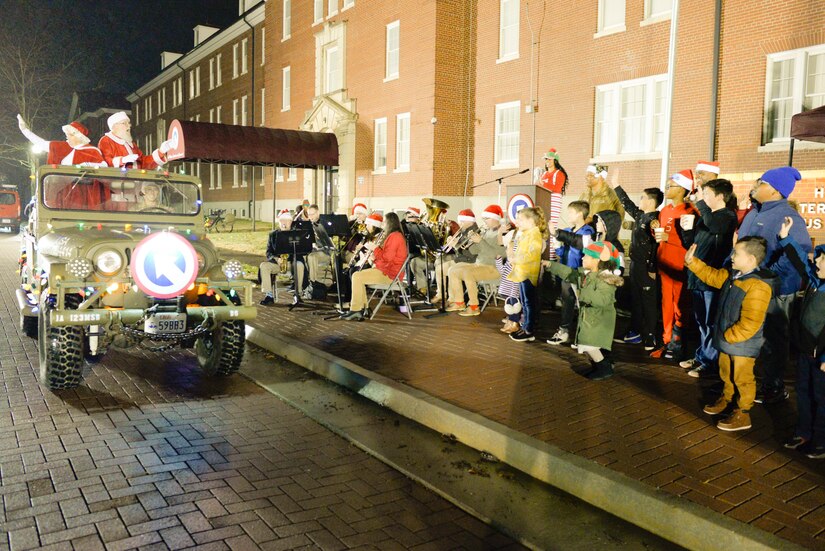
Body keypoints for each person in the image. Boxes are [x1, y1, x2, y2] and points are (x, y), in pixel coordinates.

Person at [737, 166, 812, 404]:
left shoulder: (788, 217)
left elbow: (796, 254)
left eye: (762, 183)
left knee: (774, 339)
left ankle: (774, 386)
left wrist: (768, 278)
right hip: (748, 286)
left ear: (774, 191)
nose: (756, 185)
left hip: (776, 291)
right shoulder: (753, 213)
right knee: (753, 335)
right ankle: (748, 380)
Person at [684, 237, 774, 432]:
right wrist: (692, 262)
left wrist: (729, 336)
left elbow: (751, 322)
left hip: (741, 344)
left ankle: (743, 412)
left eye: (736, 254)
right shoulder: (734, 276)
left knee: (743, 378)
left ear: (751, 259)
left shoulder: (758, 285)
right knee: (726, 372)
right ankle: (727, 398)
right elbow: (712, 276)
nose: (732, 257)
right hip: (728, 340)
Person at [678, 178, 737, 378]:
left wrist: (699, 203)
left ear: (720, 196)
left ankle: (710, 363)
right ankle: (702, 356)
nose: (703, 198)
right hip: (697, 275)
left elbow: (715, 226)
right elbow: (694, 243)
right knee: (702, 321)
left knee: (711, 322)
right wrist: (685, 231)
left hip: (711, 277)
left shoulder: (727, 216)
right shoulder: (707, 216)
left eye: (707, 194)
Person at [778, 216, 825, 459]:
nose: (816, 259)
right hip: (806, 352)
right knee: (804, 393)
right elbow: (800, 261)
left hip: (821, 357)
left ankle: (821, 439)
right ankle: (804, 431)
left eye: (822, 257)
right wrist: (786, 238)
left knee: (821, 397)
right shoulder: (816, 281)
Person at [545, 241, 624, 380]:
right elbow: (569, 273)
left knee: (589, 344)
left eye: (587, 256)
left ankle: (604, 367)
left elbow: (603, 300)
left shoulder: (605, 280)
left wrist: (583, 294)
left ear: (597, 260)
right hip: (590, 316)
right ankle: (599, 365)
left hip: (598, 319)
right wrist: (552, 266)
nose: (582, 258)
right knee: (586, 344)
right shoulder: (585, 274)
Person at [610, 173, 663, 351]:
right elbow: (627, 205)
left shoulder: (655, 220)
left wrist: (652, 267)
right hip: (635, 265)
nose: (639, 200)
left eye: (642, 197)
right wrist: (616, 185)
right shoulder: (641, 216)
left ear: (650, 201)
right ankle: (634, 332)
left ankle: (650, 336)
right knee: (636, 301)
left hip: (646, 268)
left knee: (648, 302)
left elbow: (656, 246)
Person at [650, 169, 699, 360]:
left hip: (679, 266)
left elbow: (691, 241)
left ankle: (678, 342)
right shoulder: (665, 210)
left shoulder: (689, 211)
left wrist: (667, 236)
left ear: (682, 189)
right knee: (666, 305)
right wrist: (655, 231)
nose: (667, 188)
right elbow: (661, 237)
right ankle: (667, 339)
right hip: (665, 265)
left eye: (671, 186)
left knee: (680, 304)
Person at [341, 212, 408, 321]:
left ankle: (356, 309)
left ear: (390, 223)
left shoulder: (395, 237)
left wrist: (374, 248)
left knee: (357, 276)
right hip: (387, 270)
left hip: (390, 275)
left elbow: (387, 258)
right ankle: (362, 308)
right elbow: (386, 258)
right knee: (357, 276)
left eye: (384, 222)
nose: (382, 224)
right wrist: (374, 257)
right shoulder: (393, 235)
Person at [546, 201, 595, 346]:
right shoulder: (568, 230)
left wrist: (559, 235)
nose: (568, 215)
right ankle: (564, 331)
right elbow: (562, 252)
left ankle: (583, 335)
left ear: (580, 214)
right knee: (567, 302)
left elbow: (582, 246)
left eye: (571, 212)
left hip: (580, 273)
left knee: (582, 304)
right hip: (566, 271)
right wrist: (557, 246)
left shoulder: (587, 231)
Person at [446, 205, 505, 316]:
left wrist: (480, 241)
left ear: (496, 218)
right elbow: (474, 251)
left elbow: (496, 255)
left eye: (487, 218)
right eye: (484, 218)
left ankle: (474, 307)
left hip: (493, 267)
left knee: (468, 273)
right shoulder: (486, 231)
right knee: (452, 270)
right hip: (480, 264)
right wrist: (471, 240)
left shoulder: (501, 233)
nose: (484, 221)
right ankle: (459, 302)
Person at [508, 207, 548, 342]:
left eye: (520, 219)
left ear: (531, 221)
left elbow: (532, 254)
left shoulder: (535, 235)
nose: (517, 222)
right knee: (525, 303)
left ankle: (529, 330)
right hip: (522, 272)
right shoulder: (526, 233)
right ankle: (525, 326)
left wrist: (516, 259)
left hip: (528, 274)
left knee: (529, 303)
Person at [18, 115, 106, 167]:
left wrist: (86, 165)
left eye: (69, 135)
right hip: (62, 191)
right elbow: (42, 143)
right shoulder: (63, 147)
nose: (67, 137)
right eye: (66, 134)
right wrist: (25, 130)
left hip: (82, 192)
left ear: (78, 137)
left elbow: (103, 167)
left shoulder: (92, 151)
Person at [431, 209, 478, 303]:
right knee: (439, 269)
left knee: (451, 270)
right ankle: (440, 293)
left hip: (468, 261)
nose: (460, 223)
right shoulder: (463, 231)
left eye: (462, 221)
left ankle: (452, 299)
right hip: (459, 259)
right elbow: (458, 248)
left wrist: (455, 245)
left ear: (470, 221)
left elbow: (471, 253)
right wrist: (451, 242)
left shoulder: (474, 232)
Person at [98, 111, 169, 169]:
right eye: (124, 123)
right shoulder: (106, 140)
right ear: (114, 126)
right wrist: (122, 160)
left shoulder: (130, 143)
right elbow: (104, 162)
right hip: (117, 183)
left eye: (128, 123)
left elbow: (143, 163)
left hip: (136, 183)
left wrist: (161, 152)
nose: (129, 126)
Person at [259, 209, 298, 305]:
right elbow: (268, 253)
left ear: (291, 222)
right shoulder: (273, 235)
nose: (284, 222)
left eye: (287, 220)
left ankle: (298, 294)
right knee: (264, 266)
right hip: (278, 264)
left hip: (292, 263)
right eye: (282, 220)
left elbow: (300, 251)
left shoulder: (296, 234)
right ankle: (269, 295)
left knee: (300, 265)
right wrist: (277, 259)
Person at [539, 148, 569, 255]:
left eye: (549, 159)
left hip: (554, 200)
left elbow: (557, 188)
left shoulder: (559, 173)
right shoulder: (544, 174)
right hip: (543, 200)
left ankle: (551, 254)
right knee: (542, 225)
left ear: (555, 160)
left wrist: (543, 185)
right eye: (546, 159)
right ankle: (543, 252)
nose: (547, 161)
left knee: (552, 226)